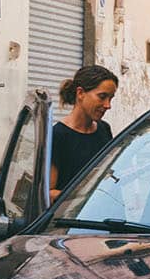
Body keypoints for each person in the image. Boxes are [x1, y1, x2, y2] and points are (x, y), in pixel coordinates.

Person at [49, 64, 118, 200]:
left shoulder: (104, 129)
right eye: (102, 97)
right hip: (71, 219)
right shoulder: (57, 135)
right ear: (80, 93)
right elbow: (49, 194)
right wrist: (85, 197)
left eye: (110, 98)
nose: (107, 105)